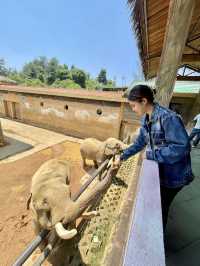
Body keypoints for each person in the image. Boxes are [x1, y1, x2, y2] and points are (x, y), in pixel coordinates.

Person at [114, 85, 194, 231]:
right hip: (163, 172)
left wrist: (151, 154)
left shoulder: (168, 118)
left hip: (174, 177)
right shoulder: (146, 119)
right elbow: (139, 143)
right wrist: (122, 156)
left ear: (143, 101)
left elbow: (182, 147)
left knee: (160, 209)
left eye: (133, 105)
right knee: (158, 205)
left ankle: (158, 237)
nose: (132, 109)